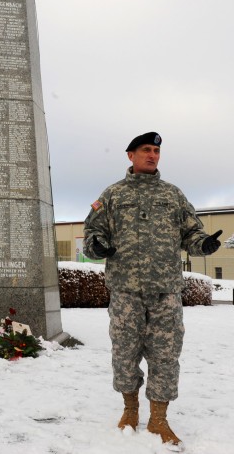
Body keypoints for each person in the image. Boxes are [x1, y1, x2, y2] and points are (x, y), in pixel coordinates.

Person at [83, 132, 222, 449]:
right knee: (124, 353)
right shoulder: (113, 195)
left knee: (166, 356)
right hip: (126, 291)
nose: (153, 155)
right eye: (146, 149)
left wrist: (205, 244)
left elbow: (192, 233)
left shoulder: (173, 195)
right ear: (130, 155)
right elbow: (93, 231)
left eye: (156, 150)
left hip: (165, 292)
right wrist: (97, 245)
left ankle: (159, 419)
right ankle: (130, 411)